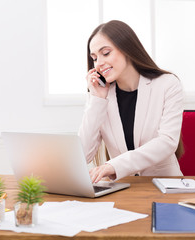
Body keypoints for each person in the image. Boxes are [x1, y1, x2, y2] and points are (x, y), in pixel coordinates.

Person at [78, 20, 184, 184]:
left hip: (165, 186)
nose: (98, 64)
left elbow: (167, 142)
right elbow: (82, 155)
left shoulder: (167, 84)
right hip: (122, 189)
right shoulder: (100, 96)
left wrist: (114, 166)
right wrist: (97, 100)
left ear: (127, 49)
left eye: (105, 53)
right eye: (94, 58)